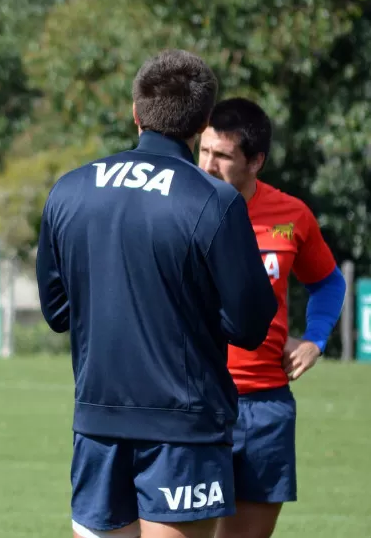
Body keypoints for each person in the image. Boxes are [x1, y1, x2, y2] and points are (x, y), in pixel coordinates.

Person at [36, 49, 278, 538]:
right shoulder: (215, 200)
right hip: (183, 430)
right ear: (204, 121)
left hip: (98, 424)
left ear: (135, 111)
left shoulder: (70, 189)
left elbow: (57, 310)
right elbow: (251, 324)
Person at [197, 98, 346, 538]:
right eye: (203, 150)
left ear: (256, 161)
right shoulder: (179, 207)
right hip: (196, 402)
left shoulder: (292, 215)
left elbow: (329, 282)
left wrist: (315, 338)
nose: (207, 165)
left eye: (222, 155)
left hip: (266, 406)